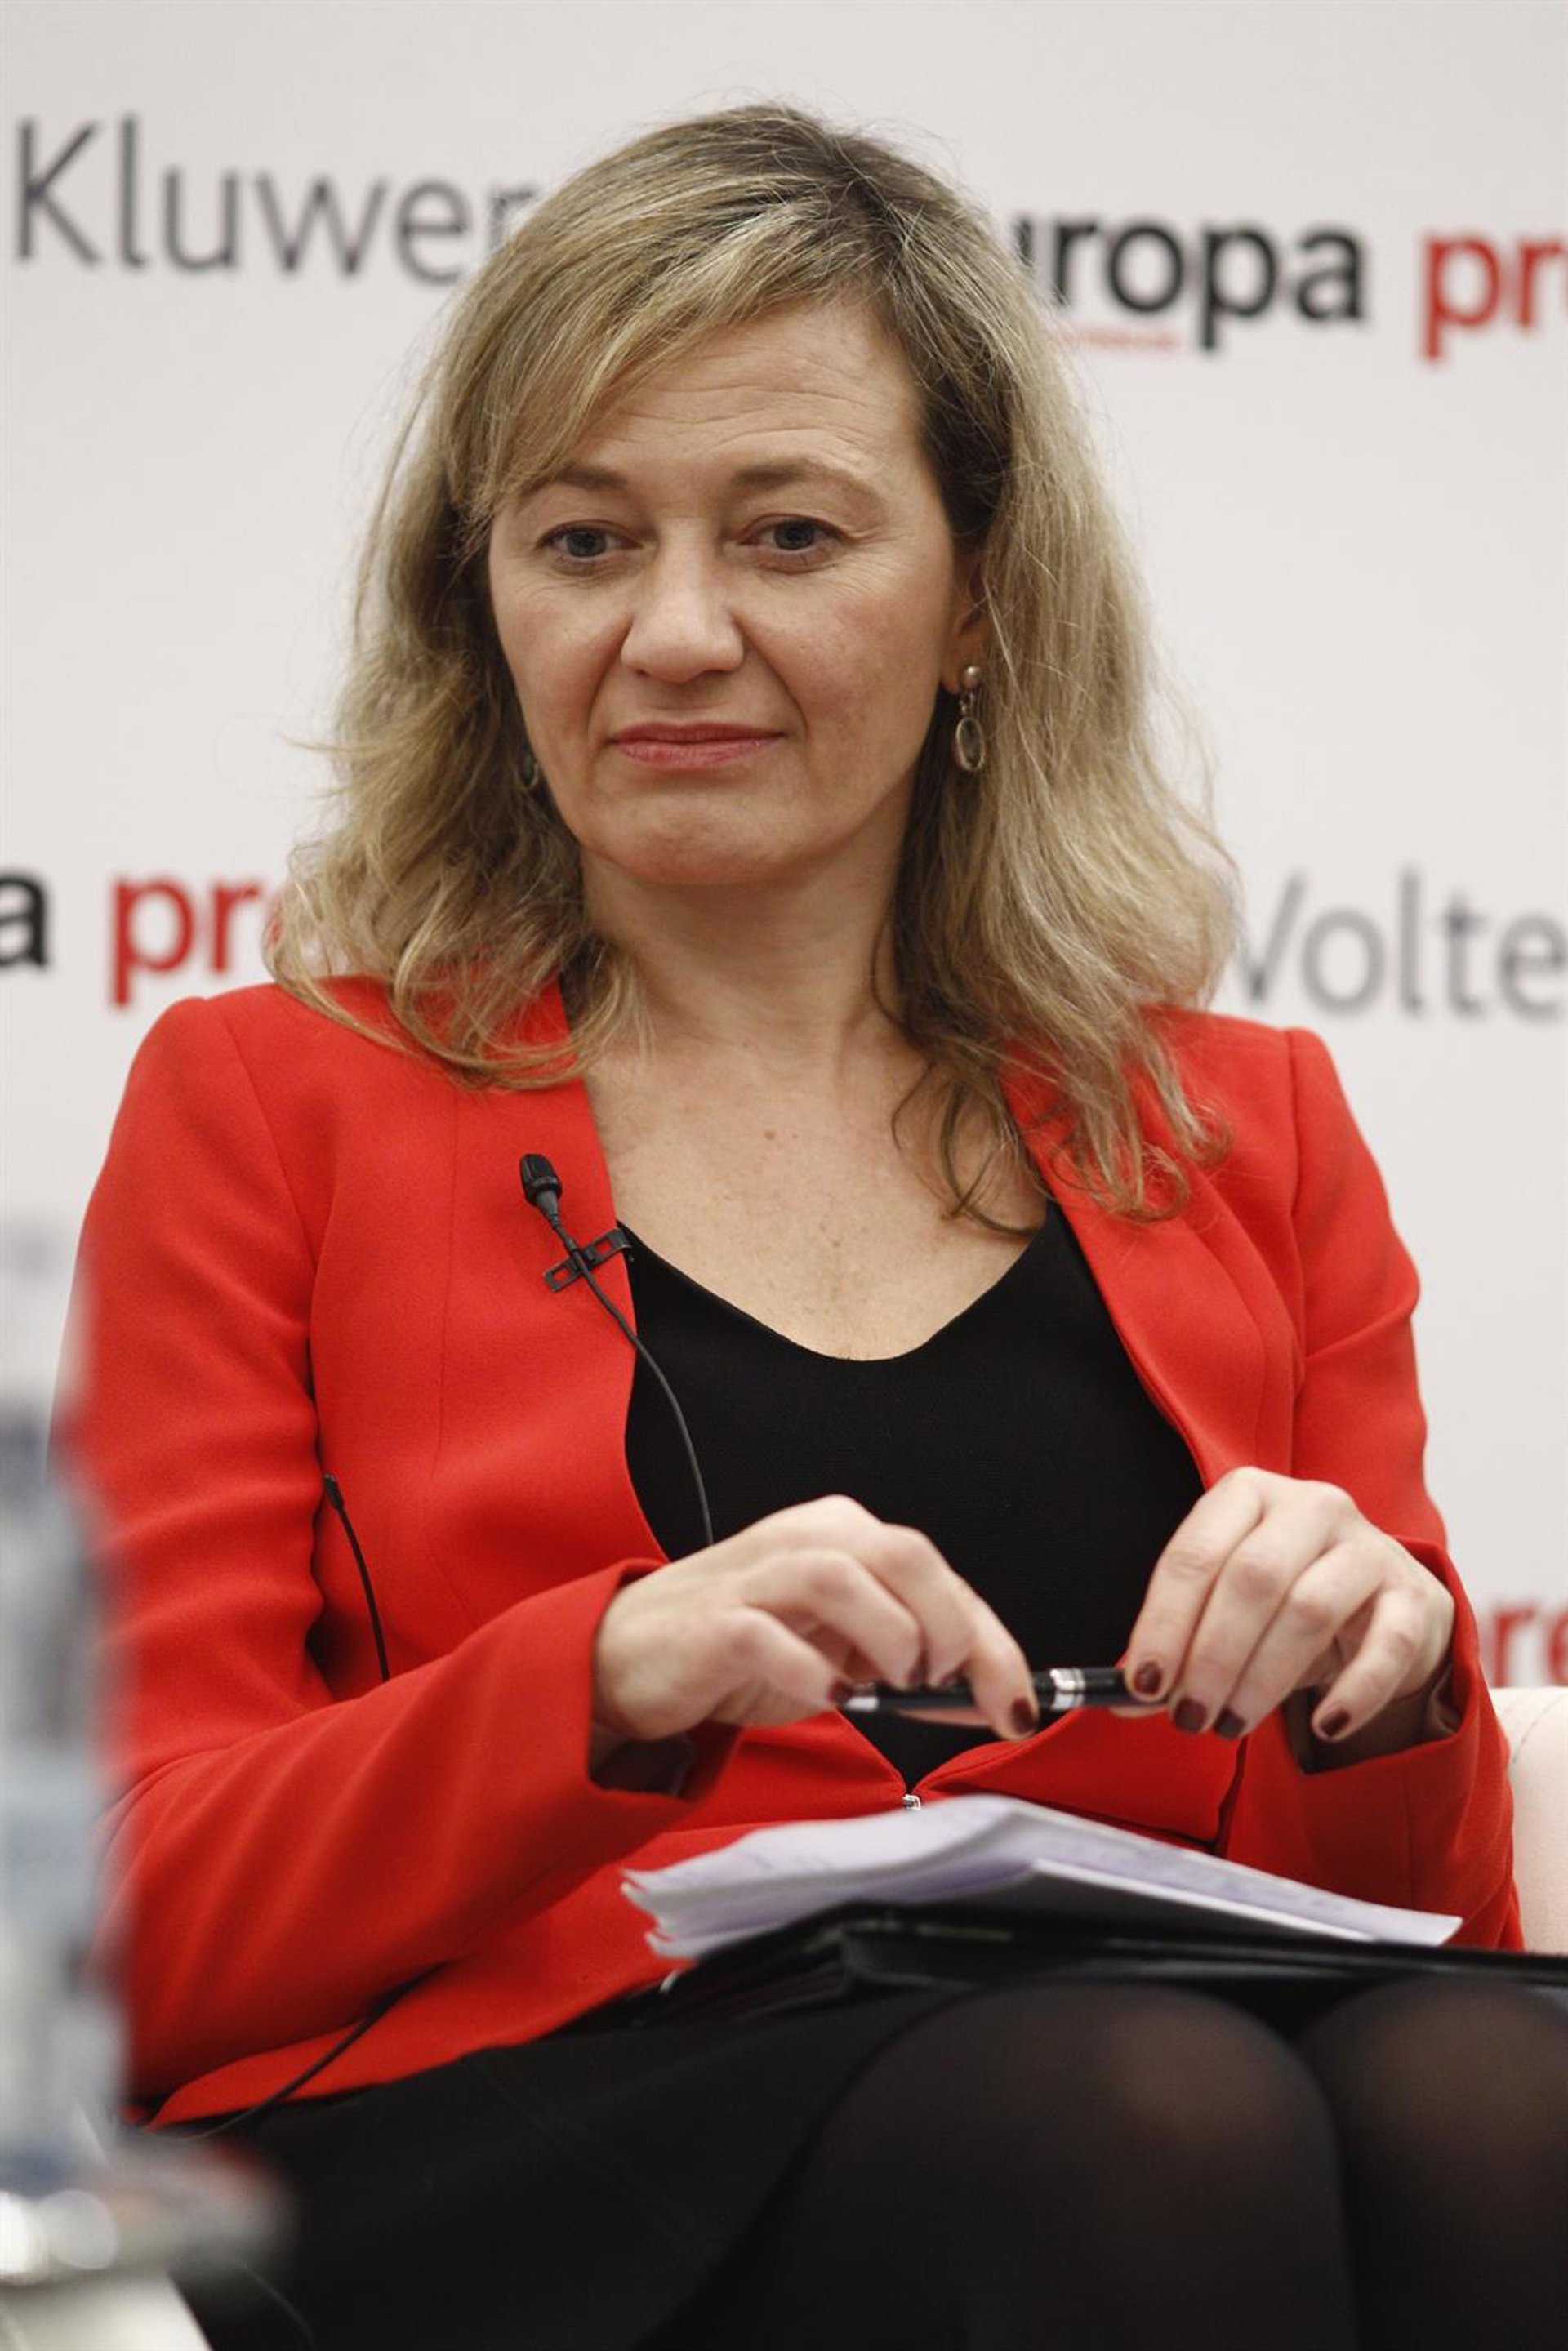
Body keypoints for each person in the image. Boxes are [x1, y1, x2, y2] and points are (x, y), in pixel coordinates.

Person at [63, 103, 1566, 2351]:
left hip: (1127, 2053)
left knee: (1502, 2098)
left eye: (788, 533)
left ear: (979, 601)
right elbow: (112, 1928)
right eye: (586, 540)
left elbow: (1421, 1920)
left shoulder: (1242, 1127)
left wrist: (1397, 1685)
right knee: (1139, 2118)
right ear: (484, 606)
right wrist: (593, 1682)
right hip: (528, 2133)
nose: (676, 633)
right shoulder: (268, 1103)